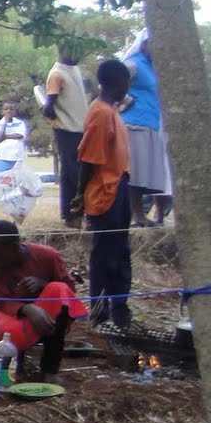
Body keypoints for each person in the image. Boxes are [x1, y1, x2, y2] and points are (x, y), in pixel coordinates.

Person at [0, 220, 86, 380]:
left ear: (14, 246)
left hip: (47, 314)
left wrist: (43, 285)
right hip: (12, 314)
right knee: (11, 335)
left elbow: (68, 292)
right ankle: (17, 364)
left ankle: (49, 369)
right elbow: (1, 302)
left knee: (58, 289)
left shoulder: (48, 256)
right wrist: (27, 309)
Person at [73, 59, 134, 329]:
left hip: (118, 186)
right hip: (103, 192)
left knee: (120, 252)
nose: (126, 89)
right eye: (124, 84)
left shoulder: (112, 111)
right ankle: (100, 309)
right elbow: (89, 159)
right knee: (104, 254)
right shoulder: (100, 113)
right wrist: (79, 193)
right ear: (113, 84)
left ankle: (119, 306)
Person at [118, 33, 173, 226]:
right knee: (136, 172)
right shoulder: (133, 64)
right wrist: (126, 101)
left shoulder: (153, 66)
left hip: (154, 123)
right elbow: (109, 82)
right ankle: (138, 215)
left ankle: (158, 215)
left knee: (154, 172)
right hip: (135, 123)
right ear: (144, 44)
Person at [43, 47, 89, 226]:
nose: (77, 54)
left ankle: (70, 214)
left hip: (79, 128)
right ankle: (76, 213)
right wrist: (54, 118)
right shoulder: (56, 74)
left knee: (70, 172)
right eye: (72, 51)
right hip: (67, 129)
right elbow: (49, 106)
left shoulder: (73, 70)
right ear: (63, 51)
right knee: (73, 172)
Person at [0, 101, 29, 174]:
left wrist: (5, 136)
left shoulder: (20, 123)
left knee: (16, 182)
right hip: (2, 157)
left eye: (11, 109)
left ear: (14, 111)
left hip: (17, 157)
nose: (8, 111)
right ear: (2, 111)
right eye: (6, 109)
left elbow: (20, 135)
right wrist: (5, 122)